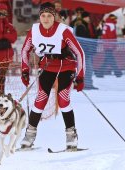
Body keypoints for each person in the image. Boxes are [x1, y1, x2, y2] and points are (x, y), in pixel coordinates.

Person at [20, 2, 85, 150]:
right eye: (43, 15)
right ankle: (29, 136)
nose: (46, 19)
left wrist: (80, 76)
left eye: (49, 15)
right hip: (48, 67)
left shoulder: (63, 31)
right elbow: (25, 50)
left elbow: (80, 53)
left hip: (66, 67)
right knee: (41, 99)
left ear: (54, 16)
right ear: (39, 17)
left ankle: (71, 136)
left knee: (63, 99)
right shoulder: (35, 30)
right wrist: (24, 70)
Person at [75, 11, 98, 90]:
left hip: (87, 51)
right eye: (88, 17)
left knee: (87, 68)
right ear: (84, 17)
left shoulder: (87, 25)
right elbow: (84, 40)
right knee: (88, 69)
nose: (89, 19)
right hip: (85, 52)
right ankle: (87, 84)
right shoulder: (81, 26)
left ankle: (86, 83)